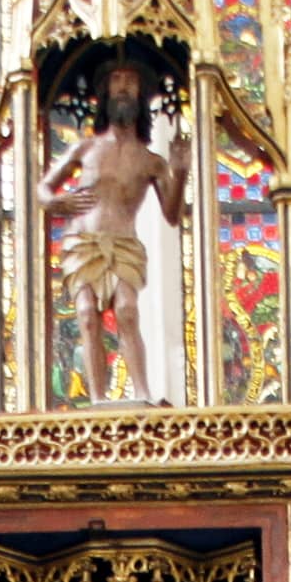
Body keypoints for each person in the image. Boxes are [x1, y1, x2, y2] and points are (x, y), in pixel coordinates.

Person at [39, 61, 189, 403]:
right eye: (116, 81)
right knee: (87, 315)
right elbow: (43, 189)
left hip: (123, 242)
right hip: (83, 242)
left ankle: (141, 393)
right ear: (105, 94)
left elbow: (171, 214)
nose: (123, 88)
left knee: (126, 310)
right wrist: (56, 202)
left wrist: (179, 174)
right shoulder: (86, 149)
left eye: (131, 82)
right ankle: (97, 398)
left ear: (140, 95)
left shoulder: (151, 161)